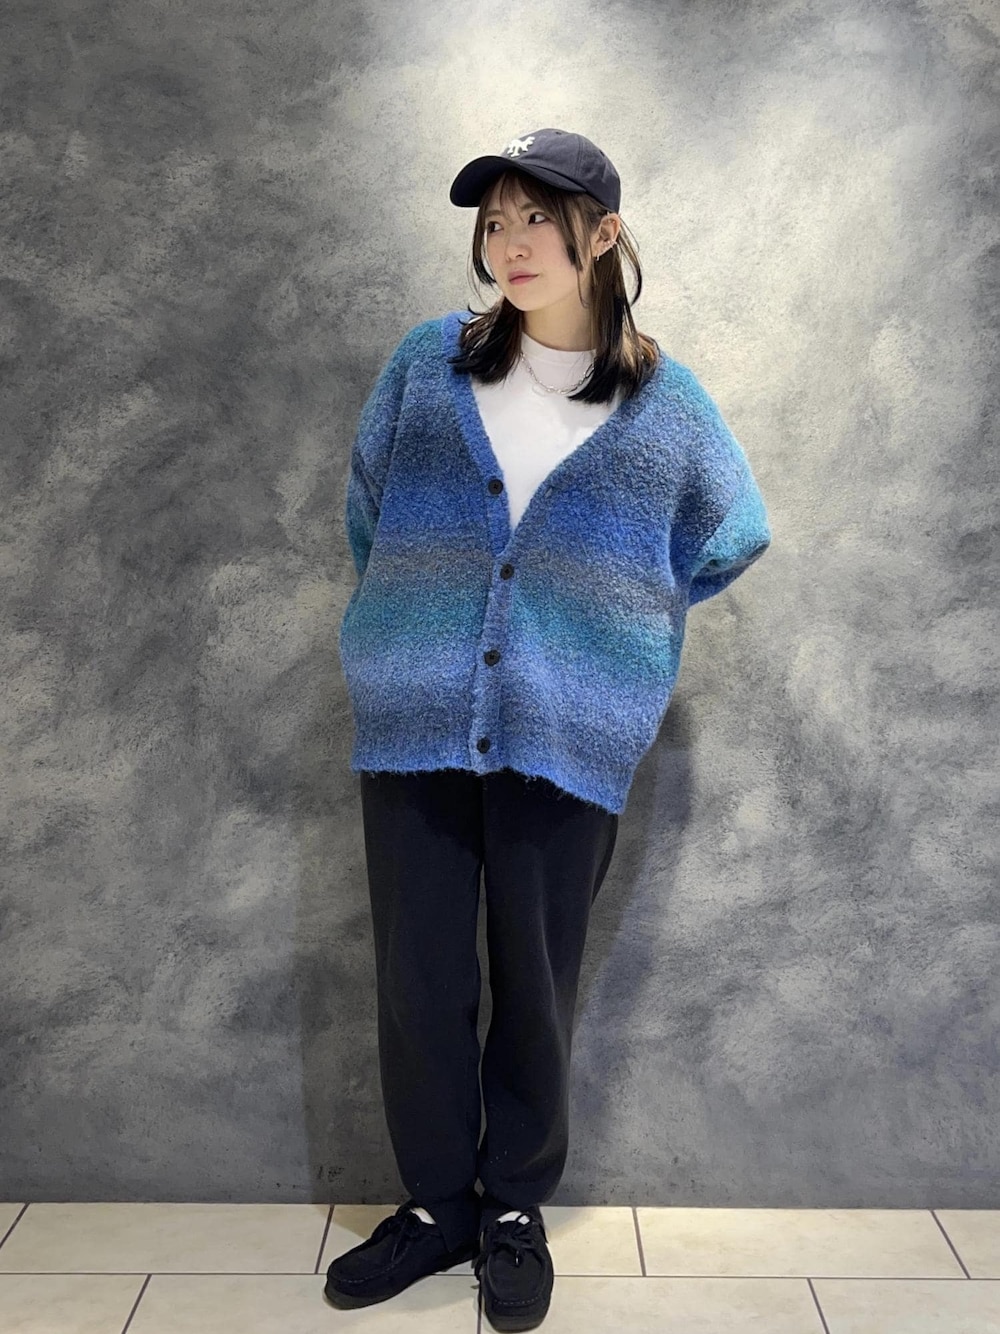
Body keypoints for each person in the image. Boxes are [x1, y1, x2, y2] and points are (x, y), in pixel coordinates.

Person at [324, 127, 772, 1331]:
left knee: (534, 976)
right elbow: (368, 512)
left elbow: (729, 532)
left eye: (536, 218)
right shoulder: (429, 366)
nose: (510, 245)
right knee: (419, 975)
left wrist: (606, 635)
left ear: (602, 233)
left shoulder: (662, 405)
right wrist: (411, 623)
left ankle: (513, 1206)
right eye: (494, 221)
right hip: (414, 713)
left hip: (568, 733)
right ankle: (437, 1204)